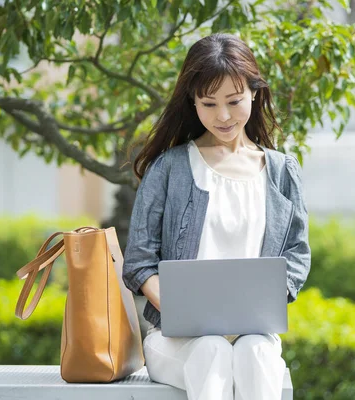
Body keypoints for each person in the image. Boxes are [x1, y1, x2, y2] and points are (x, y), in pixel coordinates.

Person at [122, 33, 311, 400]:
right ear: (192, 102)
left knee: (254, 351)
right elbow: (140, 263)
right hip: (175, 339)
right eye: (209, 103)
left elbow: (296, 254)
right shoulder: (170, 168)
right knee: (211, 349)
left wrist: (265, 302)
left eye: (234, 100)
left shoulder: (281, 171)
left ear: (255, 93)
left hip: (253, 333)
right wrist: (185, 309)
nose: (223, 116)